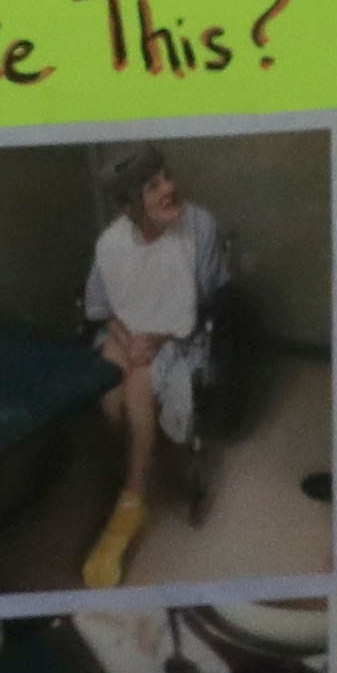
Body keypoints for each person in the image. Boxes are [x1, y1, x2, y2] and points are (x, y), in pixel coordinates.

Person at [75, 149, 237, 591]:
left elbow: (208, 301)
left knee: (140, 382)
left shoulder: (197, 226)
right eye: (153, 186)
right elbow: (102, 307)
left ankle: (131, 502)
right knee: (111, 387)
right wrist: (128, 336)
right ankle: (143, 459)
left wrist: (160, 338)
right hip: (130, 330)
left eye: (167, 176)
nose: (169, 188)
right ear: (128, 206)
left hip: (181, 335)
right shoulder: (112, 245)